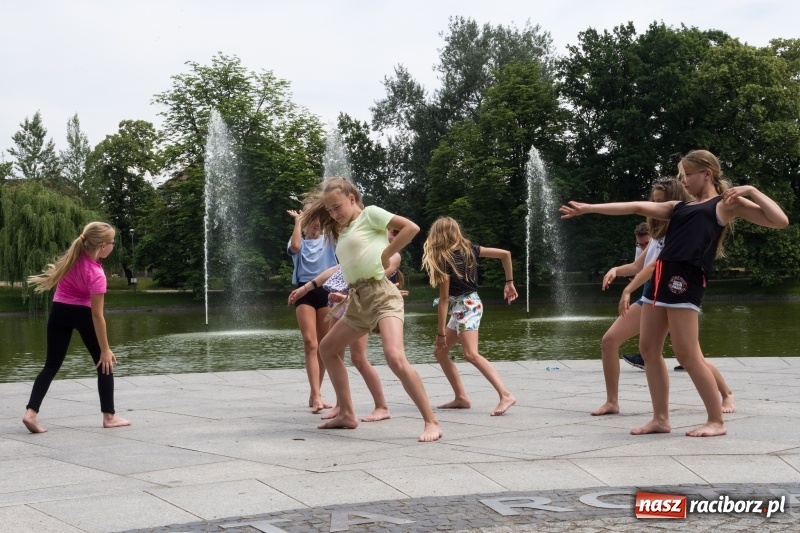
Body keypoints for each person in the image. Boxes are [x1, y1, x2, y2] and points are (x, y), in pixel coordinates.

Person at [560, 150, 788, 437]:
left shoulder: (725, 205)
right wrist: (590, 208)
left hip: (686, 278)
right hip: (660, 279)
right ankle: (660, 418)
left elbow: (780, 221)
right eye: (681, 176)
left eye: (687, 175)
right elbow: (634, 206)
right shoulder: (678, 207)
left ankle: (716, 420)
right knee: (649, 349)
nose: (684, 181)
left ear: (707, 173)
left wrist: (752, 190)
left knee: (688, 354)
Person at [300, 177, 442, 442]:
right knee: (327, 349)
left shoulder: (371, 215)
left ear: (352, 199)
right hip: (356, 300)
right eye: (329, 210)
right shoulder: (343, 230)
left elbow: (411, 228)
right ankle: (347, 413)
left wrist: (387, 254)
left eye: (337, 207)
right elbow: (349, 266)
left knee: (394, 357)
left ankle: (431, 421)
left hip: (382, 296)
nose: (333, 213)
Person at [593, 179, 734, 416]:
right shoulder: (657, 233)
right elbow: (640, 265)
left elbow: (656, 267)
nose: (656, 206)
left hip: (672, 292)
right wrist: (617, 270)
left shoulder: (683, 226)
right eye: (654, 201)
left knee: (691, 357)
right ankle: (613, 401)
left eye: (660, 201)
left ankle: (726, 394)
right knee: (610, 341)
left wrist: (628, 290)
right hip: (651, 295)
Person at [22, 222, 131, 433]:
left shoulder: (71, 259)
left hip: (59, 311)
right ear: (101, 246)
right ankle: (109, 416)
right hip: (82, 314)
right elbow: (97, 315)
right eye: (112, 242)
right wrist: (106, 349)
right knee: (104, 363)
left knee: (51, 365)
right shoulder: (97, 274)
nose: (113, 246)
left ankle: (30, 413)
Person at [421, 216, 517, 416]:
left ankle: (505, 395)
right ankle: (461, 397)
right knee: (440, 352)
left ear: (437, 236)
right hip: (464, 305)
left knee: (471, 354)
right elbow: (505, 254)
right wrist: (509, 281)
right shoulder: (470, 249)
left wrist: (440, 332)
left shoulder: (444, 259)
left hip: (467, 306)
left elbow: (444, 299)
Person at [287, 207, 338, 413]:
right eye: (312, 221)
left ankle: (315, 392)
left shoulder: (330, 241)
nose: (316, 224)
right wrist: (298, 221)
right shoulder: (296, 240)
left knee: (324, 345)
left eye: (318, 221)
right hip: (304, 291)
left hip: (327, 291)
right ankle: (316, 395)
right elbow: (296, 246)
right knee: (310, 342)